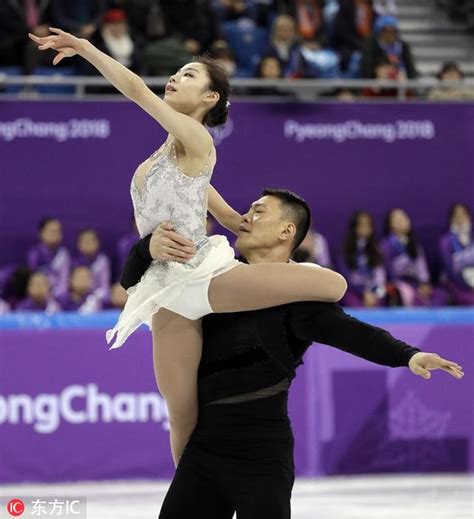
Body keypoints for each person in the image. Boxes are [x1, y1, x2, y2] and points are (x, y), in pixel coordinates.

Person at [29, 29, 347, 468]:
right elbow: (210, 197)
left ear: (210, 97)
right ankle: (194, 502)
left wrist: (85, 49)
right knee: (182, 415)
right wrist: (238, 220)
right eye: (177, 72)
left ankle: (289, 306)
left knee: (332, 285)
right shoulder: (170, 154)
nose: (175, 78)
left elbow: (137, 90)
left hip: (205, 274)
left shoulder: (199, 141)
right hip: (165, 291)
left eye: (188, 74)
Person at [121, 188, 464, 519]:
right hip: (205, 448)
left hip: (264, 452)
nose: (246, 217)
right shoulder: (210, 277)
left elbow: (352, 333)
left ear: (287, 231)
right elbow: (134, 283)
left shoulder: (300, 299)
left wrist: (408, 355)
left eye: (259, 211)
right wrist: (148, 249)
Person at [380, 208, 448, 307]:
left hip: (415, 282)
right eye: (398, 220)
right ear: (390, 225)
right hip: (398, 283)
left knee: (440, 294)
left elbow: (421, 266)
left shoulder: (414, 243)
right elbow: (386, 271)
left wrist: (424, 283)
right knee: (409, 294)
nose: (403, 221)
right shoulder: (386, 245)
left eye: (404, 218)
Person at [339, 210, 386, 307]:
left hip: (374, 290)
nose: (365, 228)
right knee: (352, 303)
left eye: (368, 224)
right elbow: (347, 275)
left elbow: (380, 274)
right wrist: (363, 291)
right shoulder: (345, 250)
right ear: (354, 227)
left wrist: (374, 292)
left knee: (382, 298)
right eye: (361, 224)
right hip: (354, 290)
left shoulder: (377, 249)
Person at [27, 217, 71, 299]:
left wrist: (56, 296)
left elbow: (64, 281)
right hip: (39, 297)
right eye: (52, 231)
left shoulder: (64, 254)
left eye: (58, 231)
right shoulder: (35, 254)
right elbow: (33, 279)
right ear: (41, 233)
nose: (56, 234)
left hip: (60, 298)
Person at [361, 14, 417, 79]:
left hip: (399, 78)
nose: (389, 35)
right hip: (378, 79)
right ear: (380, 32)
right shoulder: (371, 45)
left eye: (392, 31)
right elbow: (368, 65)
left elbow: (410, 67)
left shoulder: (403, 46)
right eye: (386, 31)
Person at [439, 203, 474, 305]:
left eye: (464, 215)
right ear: (451, 219)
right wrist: (468, 286)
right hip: (457, 283)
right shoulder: (446, 241)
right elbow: (449, 269)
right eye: (457, 216)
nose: (461, 219)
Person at [73, 228, 111, 303]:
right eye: (85, 241)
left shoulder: (103, 261)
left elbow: (105, 288)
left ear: (97, 243)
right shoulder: (74, 262)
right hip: (77, 296)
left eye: (91, 240)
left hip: (96, 298)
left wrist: (93, 296)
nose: (88, 244)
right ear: (79, 244)